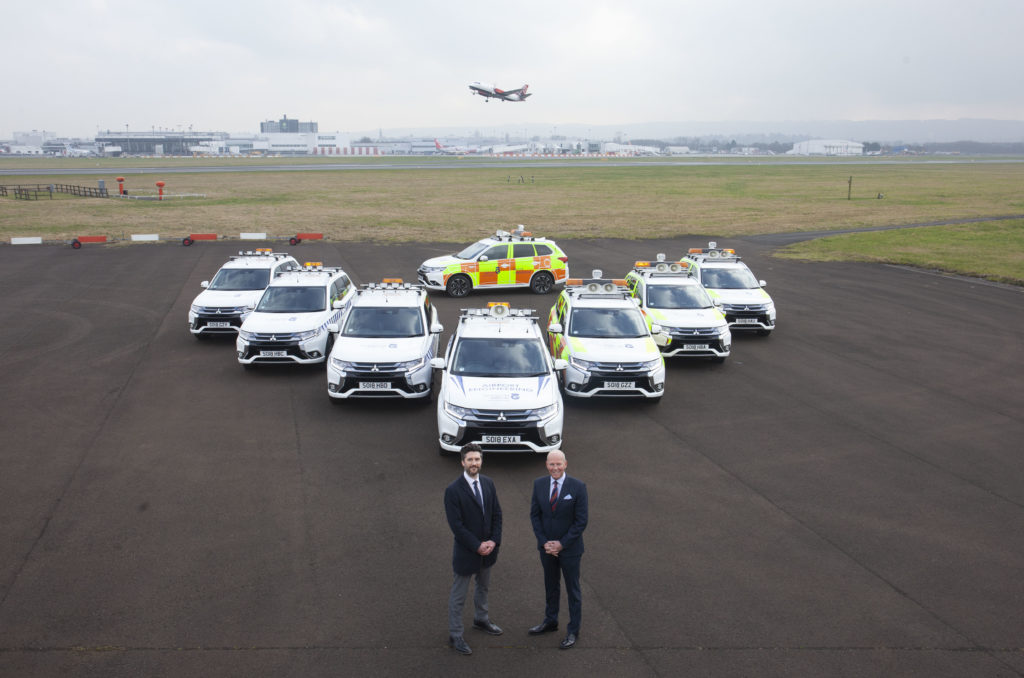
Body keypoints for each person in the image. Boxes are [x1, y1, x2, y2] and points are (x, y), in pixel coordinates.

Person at [444, 443, 503, 655]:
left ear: (481, 461)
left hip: (488, 551)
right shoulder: (452, 491)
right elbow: (456, 526)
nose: (474, 463)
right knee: (459, 595)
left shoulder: (488, 483)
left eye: (477, 459)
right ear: (462, 462)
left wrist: (493, 542)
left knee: (483, 587)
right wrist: (477, 545)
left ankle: (481, 619)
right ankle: (455, 634)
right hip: (467, 553)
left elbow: (497, 515)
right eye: (470, 460)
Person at [528, 449, 589, 649]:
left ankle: (573, 630)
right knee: (551, 586)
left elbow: (581, 522)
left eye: (558, 464)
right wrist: (545, 542)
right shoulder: (539, 485)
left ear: (565, 464)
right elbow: (535, 516)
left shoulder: (578, 487)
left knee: (573, 590)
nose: (555, 468)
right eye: (551, 464)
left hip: (570, 549)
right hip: (546, 549)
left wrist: (561, 544)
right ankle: (550, 621)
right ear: (547, 465)